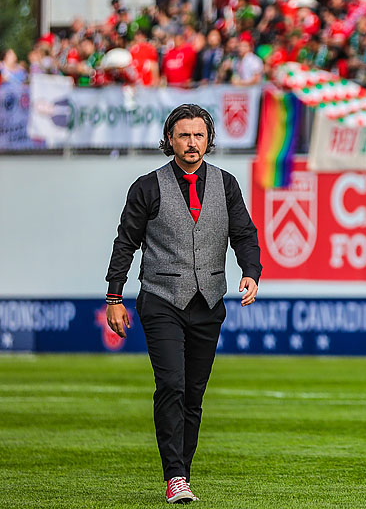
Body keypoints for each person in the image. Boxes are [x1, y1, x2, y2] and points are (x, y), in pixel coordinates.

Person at [105, 104, 261, 504]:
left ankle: (182, 473)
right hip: (161, 299)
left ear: (208, 139)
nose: (192, 143)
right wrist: (114, 296)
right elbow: (126, 243)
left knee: (194, 392)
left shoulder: (226, 184)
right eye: (183, 135)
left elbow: (244, 234)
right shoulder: (147, 186)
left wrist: (250, 270)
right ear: (169, 139)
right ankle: (174, 476)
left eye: (198, 135)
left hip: (208, 301)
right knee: (171, 384)